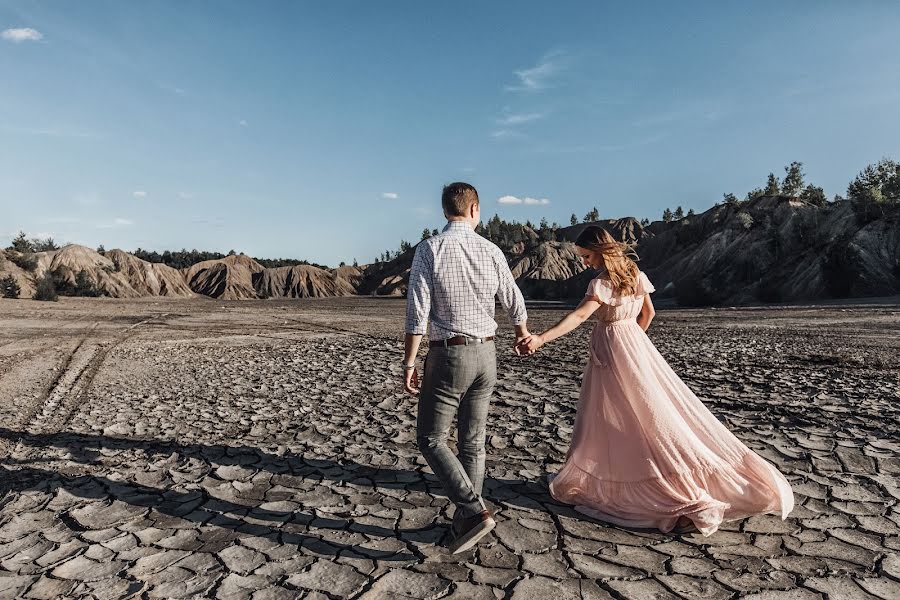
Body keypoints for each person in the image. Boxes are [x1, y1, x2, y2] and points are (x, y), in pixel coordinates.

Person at [516, 226, 793, 535]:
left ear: (600, 252)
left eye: (586, 256)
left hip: (611, 355)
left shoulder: (602, 283)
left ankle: (663, 488)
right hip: (634, 349)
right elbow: (648, 314)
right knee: (650, 413)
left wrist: (541, 339)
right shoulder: (634, 274)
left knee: (618, 418)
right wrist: (634, 344)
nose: (584, 263)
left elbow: (579, 317)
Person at [403, 182, 530, 553]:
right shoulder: (491, 250)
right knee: (472, 441)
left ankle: (473, 511)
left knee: (430, 438)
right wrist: (522, 332)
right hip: (487, 355)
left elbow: (417, 313)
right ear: (475, 209)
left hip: (449, 355)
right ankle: (467, 520)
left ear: (445, 211)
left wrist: (410, 362)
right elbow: (513, 298)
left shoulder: (430, 249)